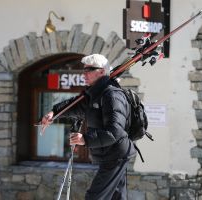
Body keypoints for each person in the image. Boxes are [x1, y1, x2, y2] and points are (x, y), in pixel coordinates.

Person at [41, 54, 136, 200]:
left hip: (115, 154)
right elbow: (75, 105)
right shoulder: (94, 94)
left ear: (102, 71)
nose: (84, 73)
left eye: (89, 69)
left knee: (94, 196)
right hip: (110, 153)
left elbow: (115, 132)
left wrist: (85, 139)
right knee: (116, 197)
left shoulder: (111, 95)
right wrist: (53, 113)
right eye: (83, 70)